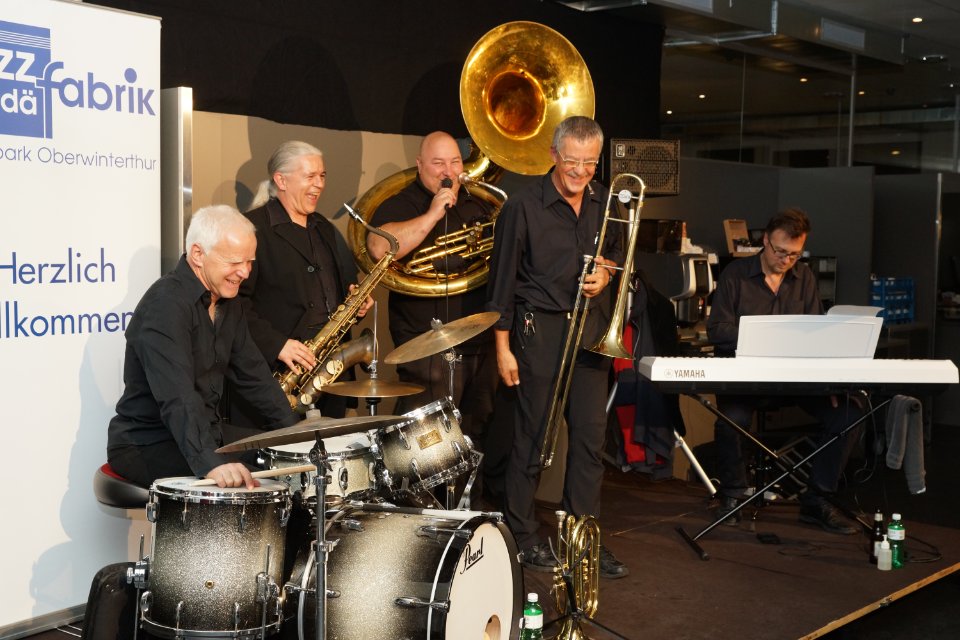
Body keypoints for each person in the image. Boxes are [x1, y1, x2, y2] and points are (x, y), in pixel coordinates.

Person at [486, 115, 629, 579]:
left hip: (590, 333)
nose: (581, 173)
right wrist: (503, 348)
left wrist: (606, 273)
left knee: (589, 440)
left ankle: (582, 537)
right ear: (553, 155)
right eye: (572, 162)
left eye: (590, 164)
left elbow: (621, 258)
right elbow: (502, 282)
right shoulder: (522, 206)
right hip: (540, 332)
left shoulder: (606, 201)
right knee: (533, 437)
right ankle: (522, 535)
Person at [107, 205, 300, 489]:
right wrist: (211, 463)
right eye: (235, 262)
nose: (245, 272)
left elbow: (254, 375)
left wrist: (295, 436)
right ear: (198, 254)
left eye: (250, 262)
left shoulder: (228, 302)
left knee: (287, 464)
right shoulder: (165, 305)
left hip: (206, 432)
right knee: (254, 485)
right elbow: (178, 396)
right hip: (148, 442)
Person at [706, 208, 864, 535]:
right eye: (780, 251)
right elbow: (717, 330)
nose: (786, 260)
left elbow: (815, 334)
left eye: (794, 254)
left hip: (792, 381)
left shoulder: (804, 277)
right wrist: (765, 335)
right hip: (744, 380)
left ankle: (817, 499)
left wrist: (829, 384)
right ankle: (733, 495)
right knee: (731, 421)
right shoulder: (736, 274)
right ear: (765, 241)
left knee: (849, 413)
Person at [367, 131, 499, 501]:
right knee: (426, 446)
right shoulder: (400, 202)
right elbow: (380, 247)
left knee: (474, 436)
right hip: (423, 347)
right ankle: (421, 515)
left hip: (478, 341)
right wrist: (432, 213)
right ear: (420, 165)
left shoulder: (479, 204)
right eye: (438, 163)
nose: (448, 171)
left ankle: (468, 515)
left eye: (455, 162)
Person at [232, 140, 373, 423]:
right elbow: (233, 304)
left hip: (331, 376)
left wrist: (357, 304)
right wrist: (278, 344)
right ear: (281, 180)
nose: (319, 184)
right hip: (278, 376)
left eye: (322, 175)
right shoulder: (251, 229)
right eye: (310, 176)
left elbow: (341, 291)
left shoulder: (324, 228)